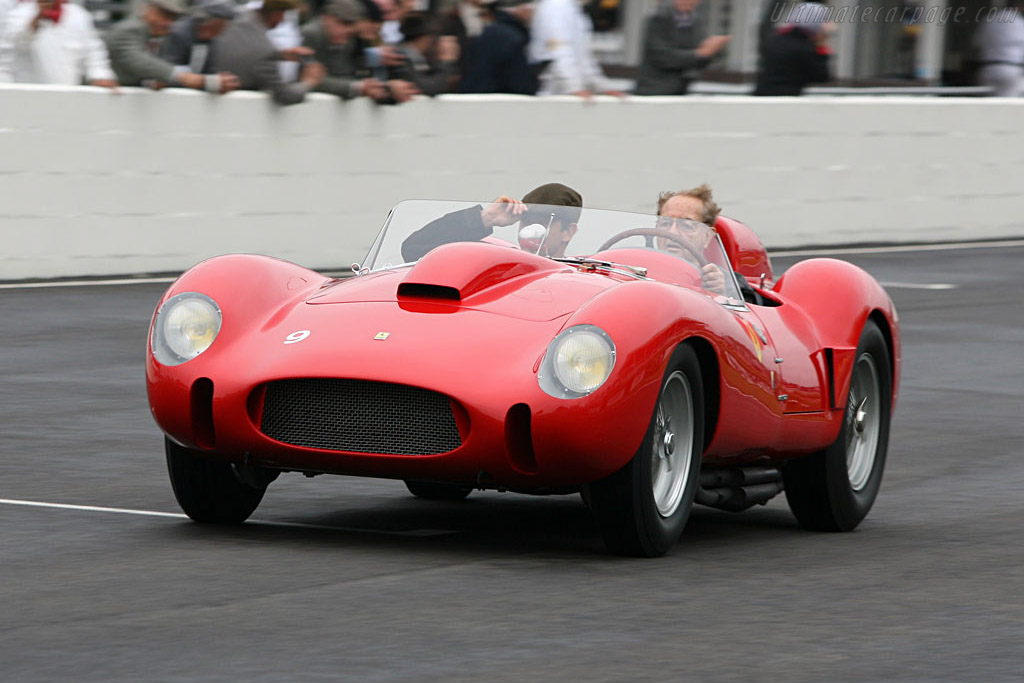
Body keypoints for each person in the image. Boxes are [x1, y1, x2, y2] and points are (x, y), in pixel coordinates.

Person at [401, 182, 582, 262]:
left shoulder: (579, 277)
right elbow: (413, 249)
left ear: (568, 232)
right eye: (526, 222)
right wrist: (485, 218)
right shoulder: (501, 264)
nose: (530, 232)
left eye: (542, 224)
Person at [211, 0, 326, 105]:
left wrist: (280, 55)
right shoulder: (264, 50)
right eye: (284, 15)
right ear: (276, 14)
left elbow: (247, 52)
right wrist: (308, 82)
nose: (283, 20)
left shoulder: (239, 16)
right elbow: (285, 96)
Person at [106, 0, 223, 90]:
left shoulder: (154, 36)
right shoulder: (130, 30)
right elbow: (139, 62)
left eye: (173, 19)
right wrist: (185, 77)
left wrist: (155, 80)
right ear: (148, 11)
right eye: (164, 16)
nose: (168, 23)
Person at [1, 0, 118, 88]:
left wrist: (100, 75)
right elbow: (16, 42)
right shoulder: (21, 12)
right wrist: (36, 20)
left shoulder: (78, 14)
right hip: (29, 89)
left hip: (68, 90)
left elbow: (93, 51)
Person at [528, 0, 624, 97]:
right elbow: (558, 50)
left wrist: (602, 86)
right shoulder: (557, 6)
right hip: (553, 88)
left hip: (567, 89)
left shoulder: (575, 10)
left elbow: (582, 56)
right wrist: (573, 86)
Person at [634, 0, 730, 96]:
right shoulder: (659, 18)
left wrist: (711, 52)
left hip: (680, 90)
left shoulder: (694, 20)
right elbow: (662, 56)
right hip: (654, 91)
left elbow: (696, 59)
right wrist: (700, 53)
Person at [655, 184, 726, 295]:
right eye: (665, 223)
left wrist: (719, 295)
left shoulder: (723, 282)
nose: (672, 232)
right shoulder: (633, 268)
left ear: (707, 236)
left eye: (687, 225)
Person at [158, 0, 239, 92]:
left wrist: (217, 82)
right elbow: (167, 73)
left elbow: (209, 70)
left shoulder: (211, 40)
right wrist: (205, 81)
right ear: (208, 20)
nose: (223, 29)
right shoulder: (179, 34)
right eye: (220, 25)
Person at [459, 0, 538, 95]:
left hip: (476, 98)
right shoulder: (511, 38)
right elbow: (521, 84)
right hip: (496, 101)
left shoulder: (490, 32)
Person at [754, 1, 832, 96]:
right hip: (785, 99)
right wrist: (821, 45)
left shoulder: (777, 38)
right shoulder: (804, 47)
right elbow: (821, 76)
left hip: (763, 95)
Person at [390, 12, 459, 96]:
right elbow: (427, 88)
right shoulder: (398, 57)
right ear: (425, 38)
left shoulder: (416, 58)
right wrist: (446, 61)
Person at [973, 3, 1024, 97]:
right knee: (1009, 105)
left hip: (987, 69)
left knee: (988, 104)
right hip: (1010, 69)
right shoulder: (1019, 22)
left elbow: (976, 43)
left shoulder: (989, 19)